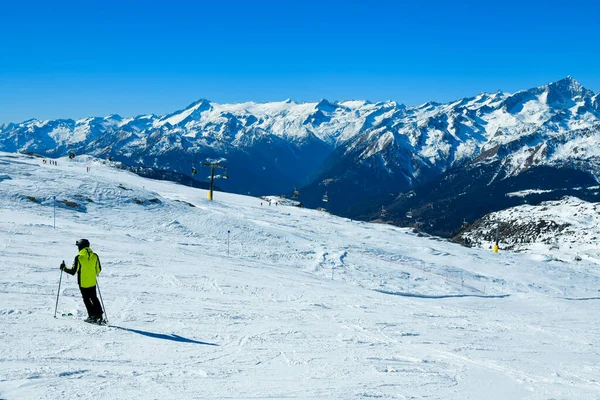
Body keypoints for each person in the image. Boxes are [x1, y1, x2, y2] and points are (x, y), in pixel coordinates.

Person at [60, 239, 104, 323]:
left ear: (81, 247)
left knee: (86, 299)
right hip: (92, 282)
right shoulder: (95, 256)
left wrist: (63, 268)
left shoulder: (79, 257)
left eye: (78, 246)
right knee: (94, 298)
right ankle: (99, 315)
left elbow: (73, 271)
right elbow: (98, 270)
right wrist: (91, 273)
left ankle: (92, 316)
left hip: (83, 283)